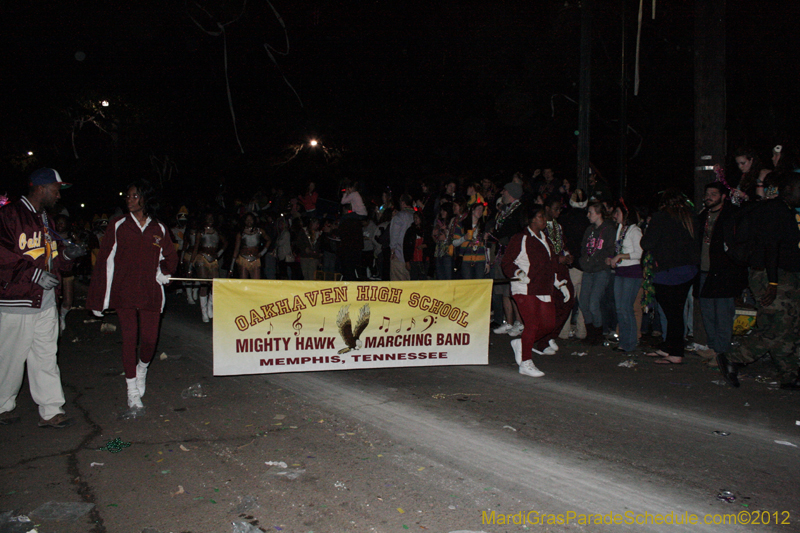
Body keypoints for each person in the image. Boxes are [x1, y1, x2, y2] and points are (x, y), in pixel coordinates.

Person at [0, 168, 85, 428]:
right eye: (56, 189)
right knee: (9, 359)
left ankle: (51, 410)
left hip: (46, 301)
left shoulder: (45, 218)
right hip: (17, 301)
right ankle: (3, 406)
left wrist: (67, 256)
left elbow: (51, 259)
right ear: (40, 188)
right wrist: (32, 274)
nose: (58, 195)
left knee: (47, 357)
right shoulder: (9, 215)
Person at [87, 179, 177, 410]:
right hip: (124, 291)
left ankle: (142, 369)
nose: (129, 199)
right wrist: (98, 297)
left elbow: (171, 257)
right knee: (129, 339)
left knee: (149, 340)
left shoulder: (159, 228)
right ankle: (131, 389)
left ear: (145, 198)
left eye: (134, 196)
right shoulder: (118, 225)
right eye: (127, 196)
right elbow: (104, 260)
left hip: (150, 292)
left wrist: (164, 272)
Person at [719, 174, 800, 389]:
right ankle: (734, 357)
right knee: (777, 326)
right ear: (790, 188)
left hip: (779, 275)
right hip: (772, 275)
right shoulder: (776, 210)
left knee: (789, 325)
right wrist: (772, 283)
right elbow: (771, 246)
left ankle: (789, 374)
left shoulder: (780, 209)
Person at [502, 204, 571, 377]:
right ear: (532, 219)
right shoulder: (521, 238)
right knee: (532, 324)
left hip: (543, 287)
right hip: (524, 287)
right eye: (541, 216)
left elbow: (551, 263)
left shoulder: (545, 239)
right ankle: (525, 362)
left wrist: (559, 284)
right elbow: (506, 262)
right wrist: (517, 272)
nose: (544, 220)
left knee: (548, 324)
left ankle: (521, 342)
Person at [640, 189, 699, 364]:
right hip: (687, 270)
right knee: (676, 311)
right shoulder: (690, 217)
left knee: (672, 314)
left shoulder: (661, 217)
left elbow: (647, 243)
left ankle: (676, 352)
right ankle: (669, 346)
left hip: (668, 272)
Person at [694, 183, 747, 363]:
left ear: (723, 196)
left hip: (724, 271)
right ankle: (713, 347)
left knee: (723, 313)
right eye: (707, 193)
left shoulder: (731, 215)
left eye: (713, 194)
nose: (709, 196)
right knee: (707, 311)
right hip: (704, 271)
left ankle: (722, 353)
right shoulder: (703, 216)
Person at [488, 182, 528, 336]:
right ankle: (509, 322)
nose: (502, 193)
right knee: (504, 289)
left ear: (510, 192)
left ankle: (519, 322)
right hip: (501, 254)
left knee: (513, 290)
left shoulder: (519, 210)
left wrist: (500, 235)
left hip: (512, 255)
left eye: (504, 190)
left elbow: (513, 231)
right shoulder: (504, 211)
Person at [578, 202, 616, 345]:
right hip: (588, 270)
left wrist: (598, 261)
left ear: (599, 214)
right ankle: (591, 334)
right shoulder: (589, 230)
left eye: (591, 212)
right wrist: (584, 261)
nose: (588, 215)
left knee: (594, 303)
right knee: (583, 302)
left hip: (600, 271)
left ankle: (598, 334)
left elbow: (609, 250)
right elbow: (583, 247)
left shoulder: (608, 229)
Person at [608, 202, 643, 352]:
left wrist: (621, 256)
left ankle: (631, 342)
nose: (615, 215)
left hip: (632, 272)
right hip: (621, 272)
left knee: (627, 308)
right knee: (620, 308)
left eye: (618, 212)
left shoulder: (635, 230)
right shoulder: (620, 230)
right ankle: (623, 342)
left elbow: (640, 253)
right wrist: (612, 258)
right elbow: (618, 249)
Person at [189, 213, 227, 322]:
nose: (210, 220)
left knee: (214, 285)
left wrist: (219, 253)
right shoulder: (201, 232)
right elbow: (195, 248)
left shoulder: (217, 232)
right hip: (202, 258)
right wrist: (190, 266)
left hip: (213, 260)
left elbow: (225, 243)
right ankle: (204, 311)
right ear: (204, 220)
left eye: (212, 218)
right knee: (204, 284)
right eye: (208, 218)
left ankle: (210, 306)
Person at [229, 212, 269, 280]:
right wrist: (231, 268)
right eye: (247, 220)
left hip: (255, 259)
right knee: (244, 282)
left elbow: (269, 240)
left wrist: (262, 253)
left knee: (256, 282)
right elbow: (236, 250)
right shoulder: (241, 233)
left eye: (251, 219)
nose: (249, 221)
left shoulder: (259, 231)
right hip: (243, 259)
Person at [456, 202, 489, 279]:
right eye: (479, 209)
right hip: (466, 259)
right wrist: (464, 238)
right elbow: (454, 242)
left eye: (482, 210)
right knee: (468, 284)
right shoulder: (462, 224)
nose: (480, 211)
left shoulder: (483, 226)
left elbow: (486, 245)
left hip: (480, 259)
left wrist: (487, 262)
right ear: (473, 210)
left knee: (479, 285)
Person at [389, 194, 415, 281]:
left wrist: (392, 250)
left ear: (403, 203)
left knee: (398, 282)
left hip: (399, 254)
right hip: (413, 255)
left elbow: (394, 234)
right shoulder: (416, 216)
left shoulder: (399, 216)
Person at [403, 211, 431, 280]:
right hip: (414, 260)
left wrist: (425, 245)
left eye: (417, 218)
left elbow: (431, 243)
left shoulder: (427, 230)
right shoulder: (410, 231)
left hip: (424, 261)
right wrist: (407, 261)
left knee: (423, 281)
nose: (415, 220)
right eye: (414, 218)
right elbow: (406, 246)